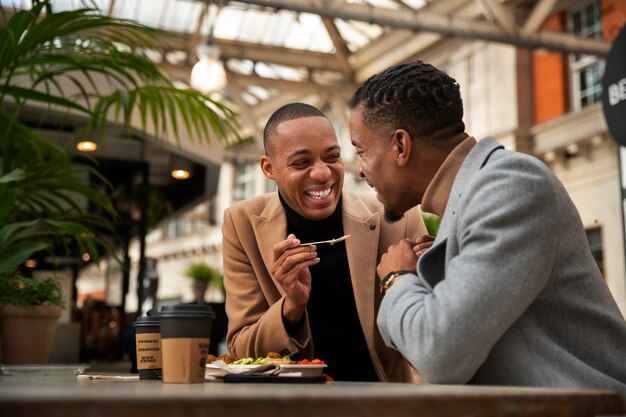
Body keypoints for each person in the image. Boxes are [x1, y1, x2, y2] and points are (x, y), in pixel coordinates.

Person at [348, 60, 626, 395]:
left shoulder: (511, 184)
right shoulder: (472, 202)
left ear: (401, 147)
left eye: (361, 152)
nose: (360, 171)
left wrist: (397, 279)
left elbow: (439, 355)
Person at [222, 103, 429, 382]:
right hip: (290, 407)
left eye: (332, 157)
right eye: (301, 163)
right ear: (269, 169)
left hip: (382, 403)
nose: (322, 173)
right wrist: (291, 307)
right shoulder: (242, 223)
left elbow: (431, 333)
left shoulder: (397, 218)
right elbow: (241, 348)